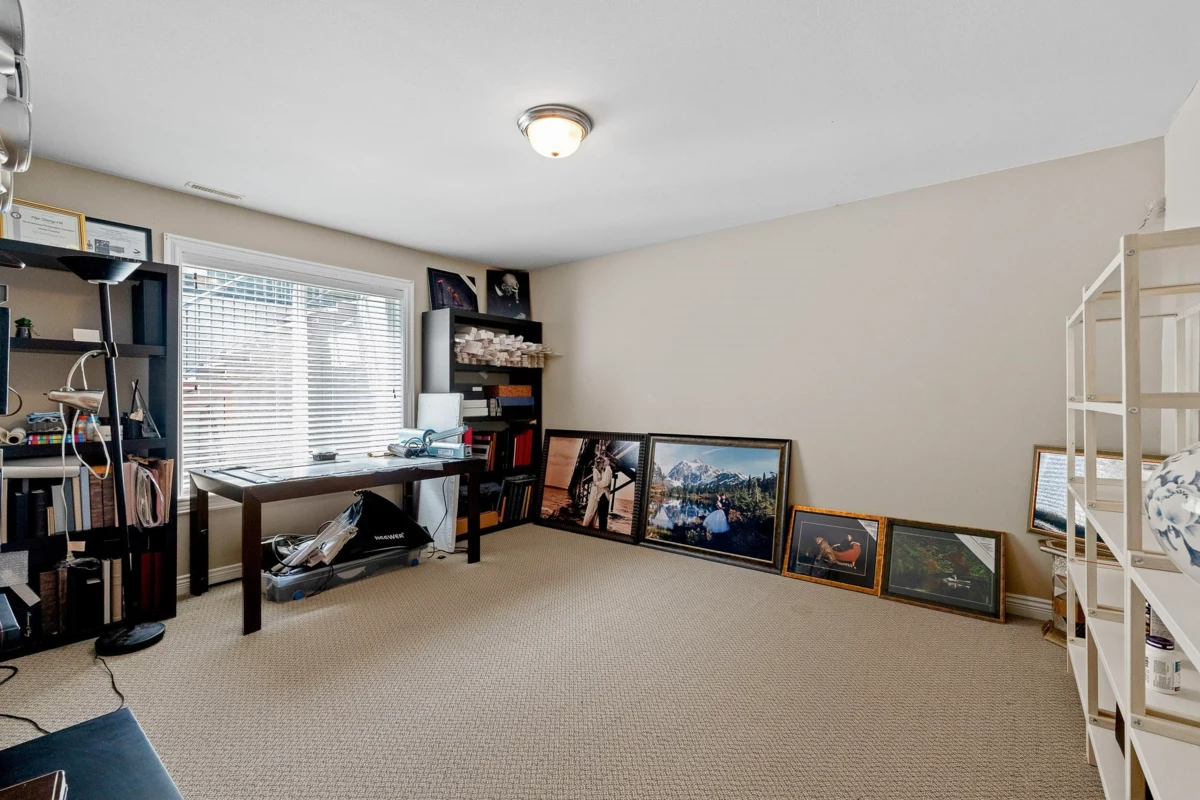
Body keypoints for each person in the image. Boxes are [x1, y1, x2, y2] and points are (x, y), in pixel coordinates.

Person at [581, 449, 614, 530]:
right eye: (602, 462)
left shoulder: (605, 470)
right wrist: (597, 483)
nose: (603, 463)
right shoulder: (596, 470)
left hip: (600, 492)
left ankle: (593, 526)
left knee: (598, 512)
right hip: (596, 492)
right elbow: (597, 482)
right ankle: (587, 525)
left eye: (604, 462)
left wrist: (597, 483)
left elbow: (602, 482)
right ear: (600, 463)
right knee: (593, 509)